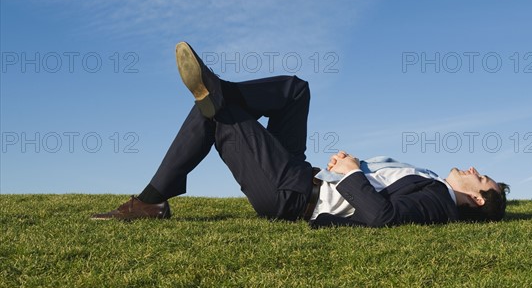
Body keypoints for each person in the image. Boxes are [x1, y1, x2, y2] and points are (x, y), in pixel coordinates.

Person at [91, 42, 509, 227]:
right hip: (303, 173)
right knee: (296, 90)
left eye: (482, 176)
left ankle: (151, 200)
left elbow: (385, 218)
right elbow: (383, 188)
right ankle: (218, 92)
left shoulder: (438, 202)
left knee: (218, 115)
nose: (474, 168)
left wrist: (350, 174)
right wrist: (355, 164)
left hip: (291, 195)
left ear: (477, 198)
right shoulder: (433, 178)